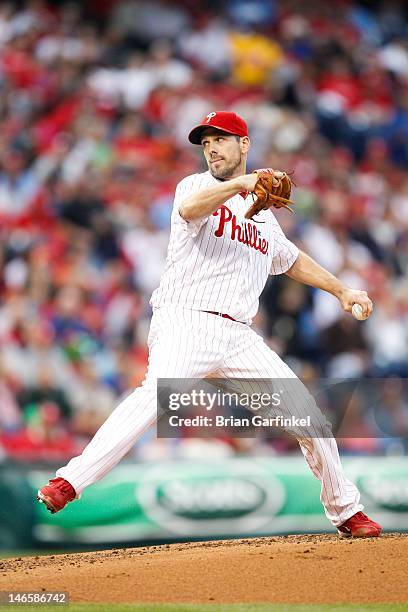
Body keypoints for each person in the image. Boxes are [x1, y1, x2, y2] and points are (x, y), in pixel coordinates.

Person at [38, 111, 381, 538]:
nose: (213, 148)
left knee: (310, 419)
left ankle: (346, 512)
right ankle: (68, 482)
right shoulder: (197, 186)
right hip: (187, 319)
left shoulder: (264, 219)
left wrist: (342, 291)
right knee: (155, 396)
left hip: (238, 335)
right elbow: (188, 208)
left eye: (221, 139)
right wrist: (239, 184)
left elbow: (291, 260)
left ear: (244, 145)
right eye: (206, 142)